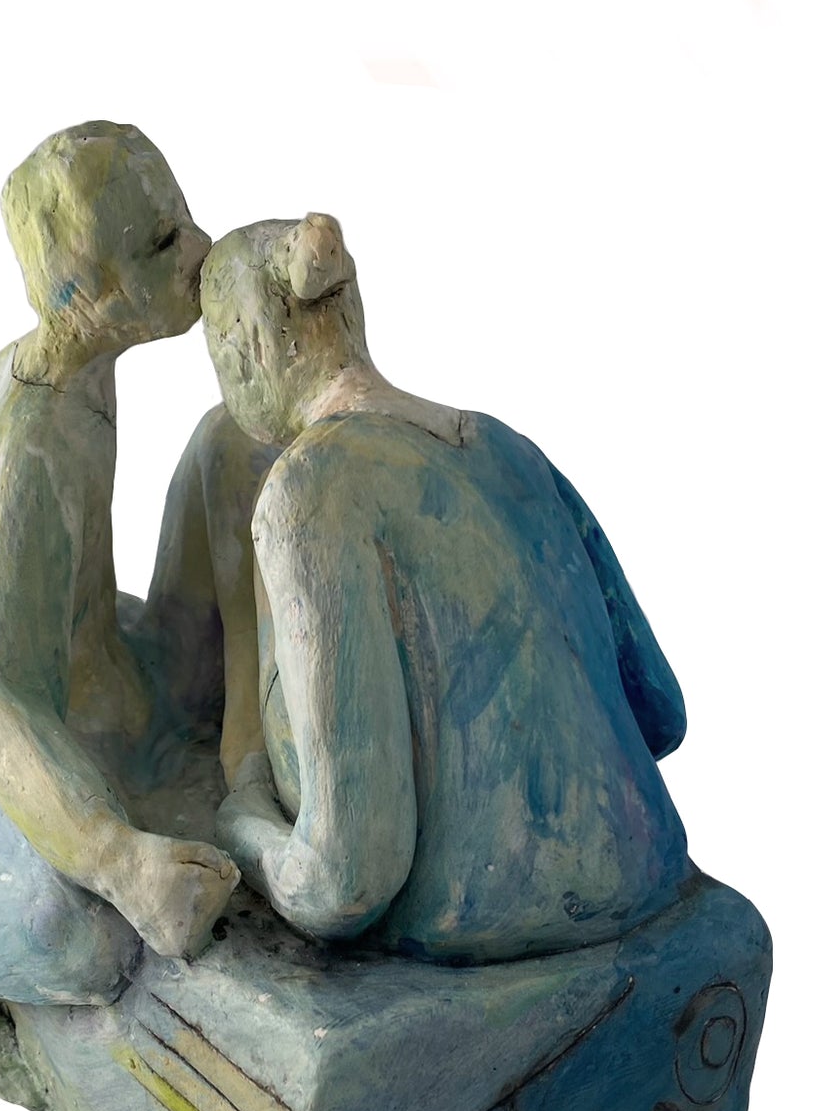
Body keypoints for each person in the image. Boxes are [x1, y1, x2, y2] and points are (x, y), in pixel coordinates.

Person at [205, 214, 691, 960]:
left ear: (243, 354)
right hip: (653, 869)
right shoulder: (507, 445)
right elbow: (659, 714)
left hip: (494, 925)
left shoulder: (307, 491)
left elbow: (345, 882)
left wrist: (240, 821)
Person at [0, 123, 235, 1044]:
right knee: (82, 942)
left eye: (184, 223)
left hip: (93, 663)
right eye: (163, 245)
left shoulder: (66, 368)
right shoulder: (35, 435)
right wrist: (119, 860)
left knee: (227, 444)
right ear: (85, 294)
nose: (201, 251)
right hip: (21, 701)